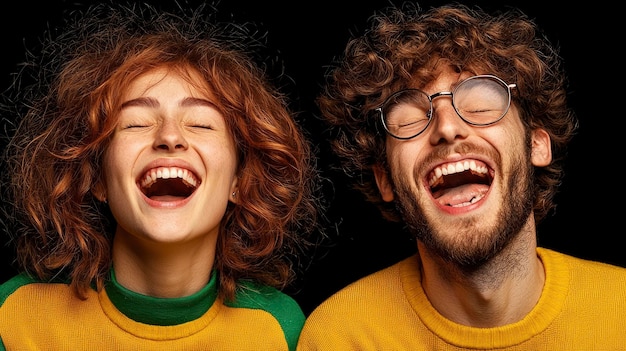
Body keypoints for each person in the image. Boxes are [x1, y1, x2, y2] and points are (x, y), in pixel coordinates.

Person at [297, 2, 626, 350]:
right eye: (410, 118)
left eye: (480, 105)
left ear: (536, 145)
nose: (447, 128)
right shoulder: (340, 337)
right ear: (386, 180)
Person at [0, 2, 322, 350]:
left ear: (240, 180)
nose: (170, 137)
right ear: (96, 178)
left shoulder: (280, 329)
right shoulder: (13, 314)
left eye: (201, 123)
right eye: (135, 123)